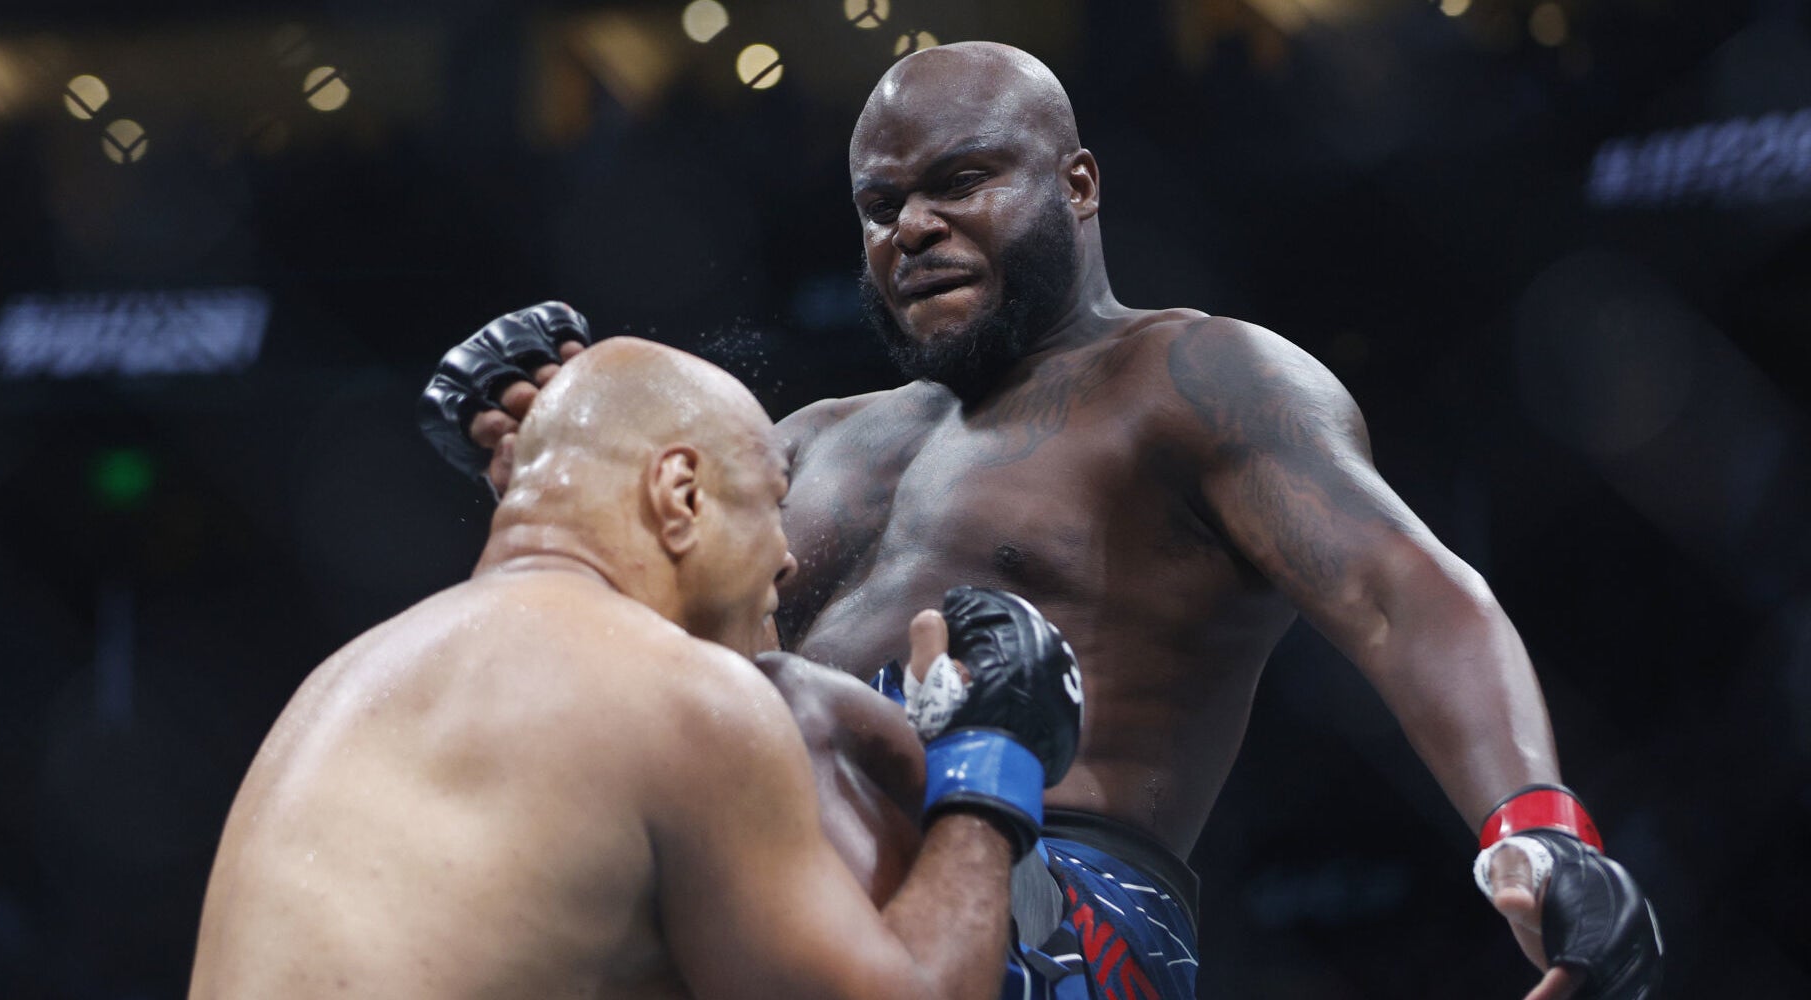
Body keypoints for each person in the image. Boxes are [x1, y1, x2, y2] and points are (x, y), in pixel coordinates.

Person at [419, 43, 1662, 1000]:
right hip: (774, 884)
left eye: (959, 181)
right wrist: (559, 459)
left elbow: (1399, 589)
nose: (911, 226)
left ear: (1074, 186)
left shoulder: (1191, 379)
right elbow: (626, 658)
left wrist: (1537, 824)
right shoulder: (802, 441)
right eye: (880, 202)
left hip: (1055, 904)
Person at [192, 337, 1086, 1000]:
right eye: (775, 503)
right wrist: (989, 763)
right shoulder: (689, 700)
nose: (785, 559)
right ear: (681, 494)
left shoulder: (341, 684)